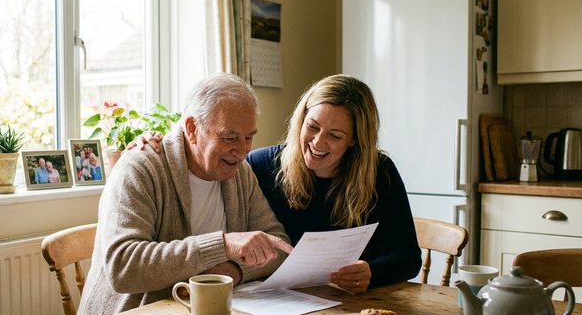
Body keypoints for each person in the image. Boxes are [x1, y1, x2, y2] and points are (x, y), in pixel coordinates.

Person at [74, 72, 292, 315]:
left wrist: (232, 271)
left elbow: (278, 245)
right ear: (191, 128)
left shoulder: (240, 173)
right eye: (229, 137)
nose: (242, 151)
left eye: (249, 137)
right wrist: (224, 246)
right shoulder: (140, 167)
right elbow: (123, 267)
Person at [129, 74, 422, 293]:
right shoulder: (259, 165)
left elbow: (409, 256)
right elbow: (202, 151)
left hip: (353, 300)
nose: (317, 143)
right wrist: (166, 141)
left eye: (335, 135)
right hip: (283, 300)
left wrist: (372, 271)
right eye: (313, 127)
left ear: (356, 139)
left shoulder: (378, 172)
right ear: (301, 120)